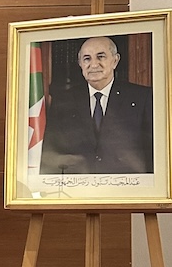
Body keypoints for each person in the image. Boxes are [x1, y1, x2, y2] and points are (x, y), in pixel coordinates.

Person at [40, 36, 153, 174]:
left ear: (115, 60)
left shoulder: (141, 97)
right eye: (87, 59)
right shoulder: (63, 100)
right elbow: (51, 153)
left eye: (101, 57)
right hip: (79, 184)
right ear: (80, 63)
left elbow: (153, 151)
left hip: (127, 184)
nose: (93, 65)